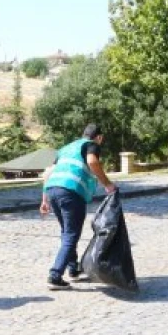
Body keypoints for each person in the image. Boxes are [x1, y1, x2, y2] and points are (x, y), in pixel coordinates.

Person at [39, 124, 117, 290]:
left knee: (67, 232)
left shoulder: (65, 148)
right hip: (71, 192)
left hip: (53, 190)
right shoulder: (92, 145)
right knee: (71, 234)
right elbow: (92, 161)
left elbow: (47, 173)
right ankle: (55, 275)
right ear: (99, 137)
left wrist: (44, 200)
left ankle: (73, 269)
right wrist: (107, 184)